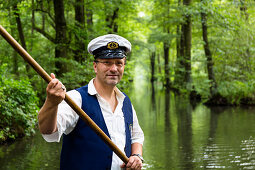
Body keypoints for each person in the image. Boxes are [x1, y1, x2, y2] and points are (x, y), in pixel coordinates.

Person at [38, 34, 144, 170]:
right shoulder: (76, 99)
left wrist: (136, 156)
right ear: (95, 66)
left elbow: (136, 136)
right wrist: (51, 103)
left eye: (119, 63)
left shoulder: (126, 102)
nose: (114, 68)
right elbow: (49, 132)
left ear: (124, 66)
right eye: (107, 62)